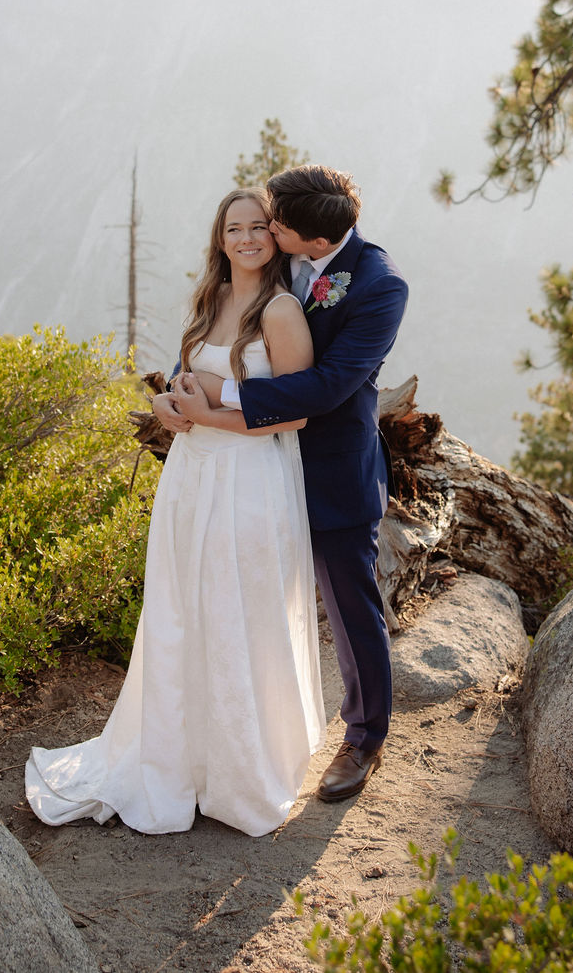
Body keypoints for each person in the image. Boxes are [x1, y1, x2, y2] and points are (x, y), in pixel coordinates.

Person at [24, 187, 326, 837]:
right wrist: (170, 408)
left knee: (236, 611)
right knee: (181, 612)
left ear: (275, 237)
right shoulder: (212, 302)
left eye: (257, 228)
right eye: (234, 228)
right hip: (191, 475)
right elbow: (187, 381)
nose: (247, 238)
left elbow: (296, 411)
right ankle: (179, 760)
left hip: (247, 480)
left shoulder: (281, 311)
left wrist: (205, 413)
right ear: (220, 240)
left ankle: (240, 775)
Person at [165, 165, 409, 805]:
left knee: (350, 607)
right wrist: (178, 387)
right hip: (249, 474)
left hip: (328, 470)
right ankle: (233, 735)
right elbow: (220, 332)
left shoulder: (380, 287)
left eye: (274, 223)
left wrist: (221, 394)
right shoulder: (273, 267)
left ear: (308, 237)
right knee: (238, 603)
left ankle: (364, 738)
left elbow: (329, 388)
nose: (264, 229)